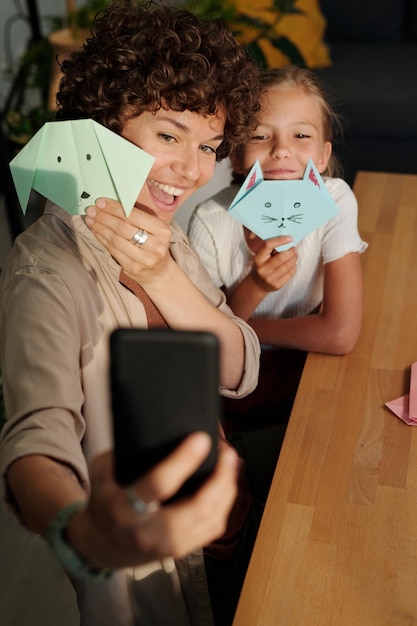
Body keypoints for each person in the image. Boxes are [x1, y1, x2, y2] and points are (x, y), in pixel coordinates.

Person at [0, 2, 263, 625]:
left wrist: (164, 277)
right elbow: (36, 443)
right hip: (148, 571)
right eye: (168, 136)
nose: (192, 172)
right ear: (103, 125)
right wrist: (80, 527)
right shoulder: (46, 272)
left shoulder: (164, 233)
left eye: (209, 146)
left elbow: (241, 366)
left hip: (221, 513)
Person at [188, 66, 368, 499]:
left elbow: (340, 334)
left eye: (301, 136)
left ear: (323, 156)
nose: (282, 151)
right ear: (235, 156)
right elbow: (206, 348)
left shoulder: (336, 200)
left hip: (311, 368)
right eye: (260, 135)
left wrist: (245, 327)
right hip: (236, 385)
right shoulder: (211, 221)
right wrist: (256, 285)